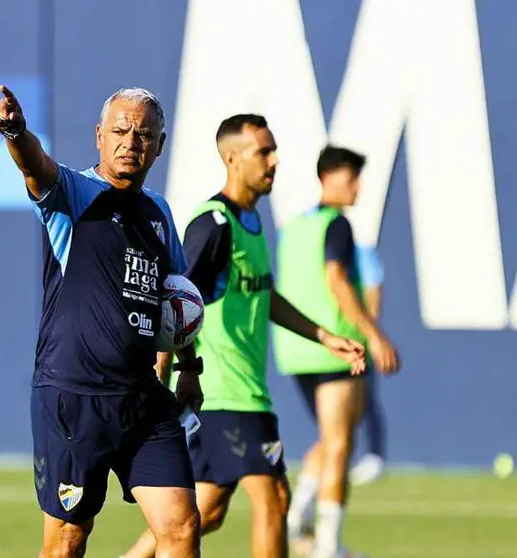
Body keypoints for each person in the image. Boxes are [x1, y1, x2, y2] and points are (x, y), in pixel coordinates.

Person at [121, 115, 366, 558]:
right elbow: (175, 303)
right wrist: (167, 375)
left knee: (205, 513)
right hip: (223, 392)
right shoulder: (214, 225)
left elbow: (264, 295)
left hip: (241, 390)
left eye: (274, 150)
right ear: (232, 158)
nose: (274, 161)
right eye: (263, 152)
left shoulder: (250, 221)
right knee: (274, 499)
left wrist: (324, 336)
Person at [0, 85, 204, 558]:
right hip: (74, 398)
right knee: (67, 541)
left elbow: (175, 300)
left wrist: (189, 367)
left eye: (144, 134)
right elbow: (34, 166)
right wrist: (16, 134)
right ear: (99, 136)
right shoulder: (74, 194)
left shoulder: (159, 213)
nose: (131, 141)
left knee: (182, 527)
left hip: (142, 400)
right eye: (121, 131)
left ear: (160, 145)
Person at [274, 145, 401, 558]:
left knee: (331, 438)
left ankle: (297, 515)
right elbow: (338, 282)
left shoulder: (294, 228)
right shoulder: (337, 225)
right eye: (351, 178)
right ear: (327, 178)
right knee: (341, 445)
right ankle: (328, 546)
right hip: (336, 348)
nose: (358, 187)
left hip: (296, 349)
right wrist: (374, 335)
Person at [349, 244, 388, 486]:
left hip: (357, 341)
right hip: (331, 342)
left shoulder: (360, 251)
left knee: (364, 398)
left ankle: (374, 454)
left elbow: (373, 289)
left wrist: (371, 334)